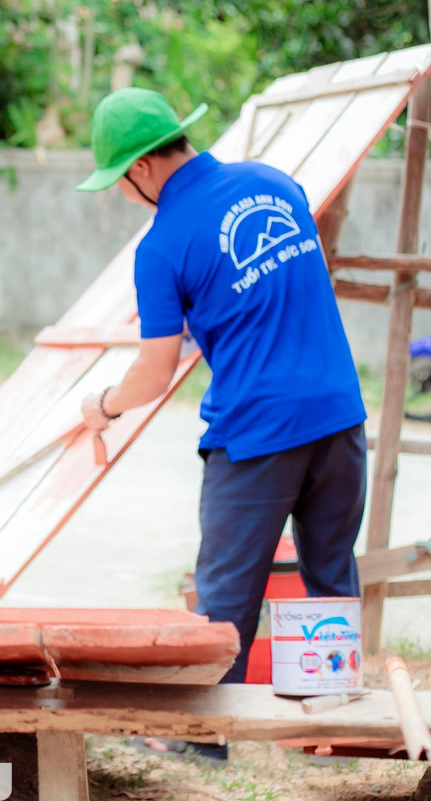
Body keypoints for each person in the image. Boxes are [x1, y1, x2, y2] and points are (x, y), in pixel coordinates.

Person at [75, 87, 367, 766]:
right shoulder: (277, 183)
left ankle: (204, 741)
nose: (124, 194)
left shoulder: (162, 245)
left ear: (140, 168)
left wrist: (103, 406)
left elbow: (152, 374)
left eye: (119, 182)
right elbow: (270, 290)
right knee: (329, 569)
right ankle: (327, 730)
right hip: (338, 413)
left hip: (257, 433)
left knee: (228, 590)